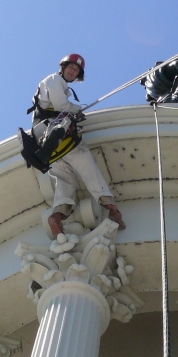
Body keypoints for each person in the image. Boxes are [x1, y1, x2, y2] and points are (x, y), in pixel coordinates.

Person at [32, 54, 125, 238]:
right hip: (62, 138)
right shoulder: (54, 80)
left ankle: (57, 217)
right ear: (63, 66)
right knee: (89, 170)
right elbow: (61, 105)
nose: (73, 72)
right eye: (71, 68)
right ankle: (112, 209)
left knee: (65, 182)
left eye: (76, 71)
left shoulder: (50, 85)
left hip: (48, 147)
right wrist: (77, 110)